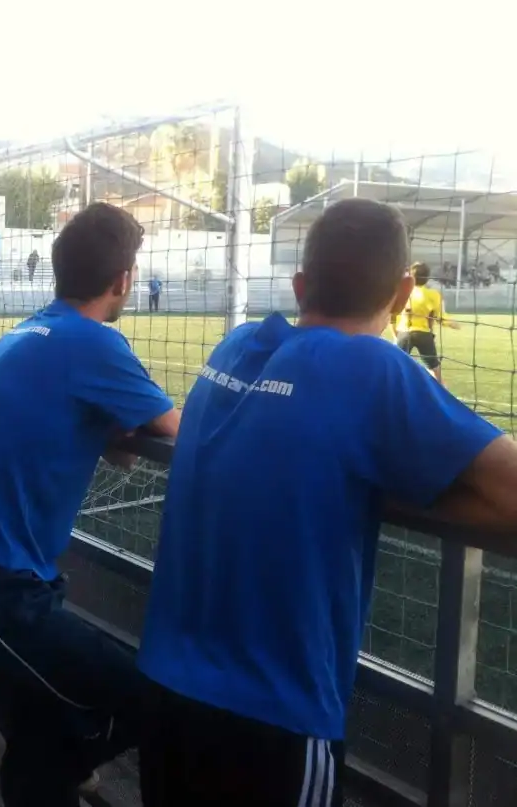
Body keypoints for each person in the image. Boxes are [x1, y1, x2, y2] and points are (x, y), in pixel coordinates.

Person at [135, 198, 517, 807]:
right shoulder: (373, 367)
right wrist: (399, 485)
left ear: (299, 285)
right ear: (401, 294)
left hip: (164, 688)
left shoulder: (234, 348)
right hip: (272, 715)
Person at [0, 203, 179, 807]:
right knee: (143, 703)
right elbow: (180, 431)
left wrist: (111, 429)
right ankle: (64, 762)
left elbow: (99, 440)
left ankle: (58, 766)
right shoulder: (94, 343)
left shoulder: (23, 333)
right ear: (123, 280)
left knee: (34, 730)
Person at [396, 261, 459, 385]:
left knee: (396, 366)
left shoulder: (404, 292)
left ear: (411, 277)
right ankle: (442, 392)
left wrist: (396, 331)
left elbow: (396, 313)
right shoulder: (433, 295)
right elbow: (441, 318)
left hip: (404, 333)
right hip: (423, 334)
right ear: (427, 278)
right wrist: (453, 324)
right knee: (434, 368)